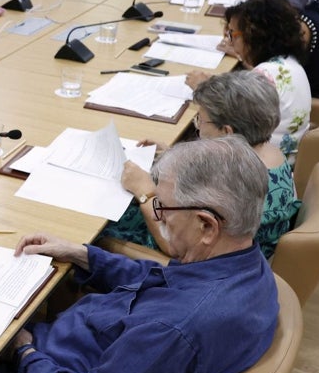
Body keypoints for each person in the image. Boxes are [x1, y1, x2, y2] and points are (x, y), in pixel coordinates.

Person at [0, 136, 279, 373]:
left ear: (207, 226)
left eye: (163, 207)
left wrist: (23, 353)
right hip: (90, 356)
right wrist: (83, 255)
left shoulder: (173, 331)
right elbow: (159, 280)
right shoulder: (245, 263)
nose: (158, 215)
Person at [103, 71, 300, 259]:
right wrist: (174, 157)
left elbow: (175, 244)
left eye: (201, 121)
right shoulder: (267, 153)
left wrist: (146, 193)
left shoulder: (235, 188)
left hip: (185, 267)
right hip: (240, 262)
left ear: (227, 132)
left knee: (100, 225)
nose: (198, 127)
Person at [193, 0, 312, 162]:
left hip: (255, 164)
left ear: (254, 35)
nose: (231, 42)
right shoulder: (288, 63)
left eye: (233, 34)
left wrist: (204, 87)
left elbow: (226, 123)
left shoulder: (263, 78)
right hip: (283, 157)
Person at [246, 0, 319, 98]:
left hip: (301, 99)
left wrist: (242, 53)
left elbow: (272, 76)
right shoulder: (313, 6)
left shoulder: (298, 27)